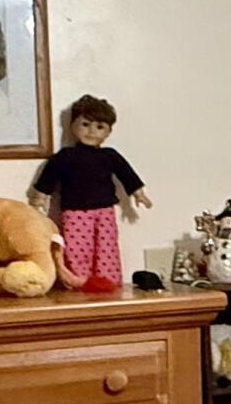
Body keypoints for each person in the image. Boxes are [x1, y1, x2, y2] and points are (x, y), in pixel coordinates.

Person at [30, 94, 151, 293]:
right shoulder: (65, 156)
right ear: (72, 126)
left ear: (108, 131)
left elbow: (127, 174)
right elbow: (48, 176)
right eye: (85, 124)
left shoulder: (110, 156)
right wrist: (40, 197)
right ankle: (79, 280)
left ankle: (107, 279)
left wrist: (138, 193)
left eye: (99, 127)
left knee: (107, 245)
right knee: (77, 248)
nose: (91, 131)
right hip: (75, 211)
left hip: (105, 210)